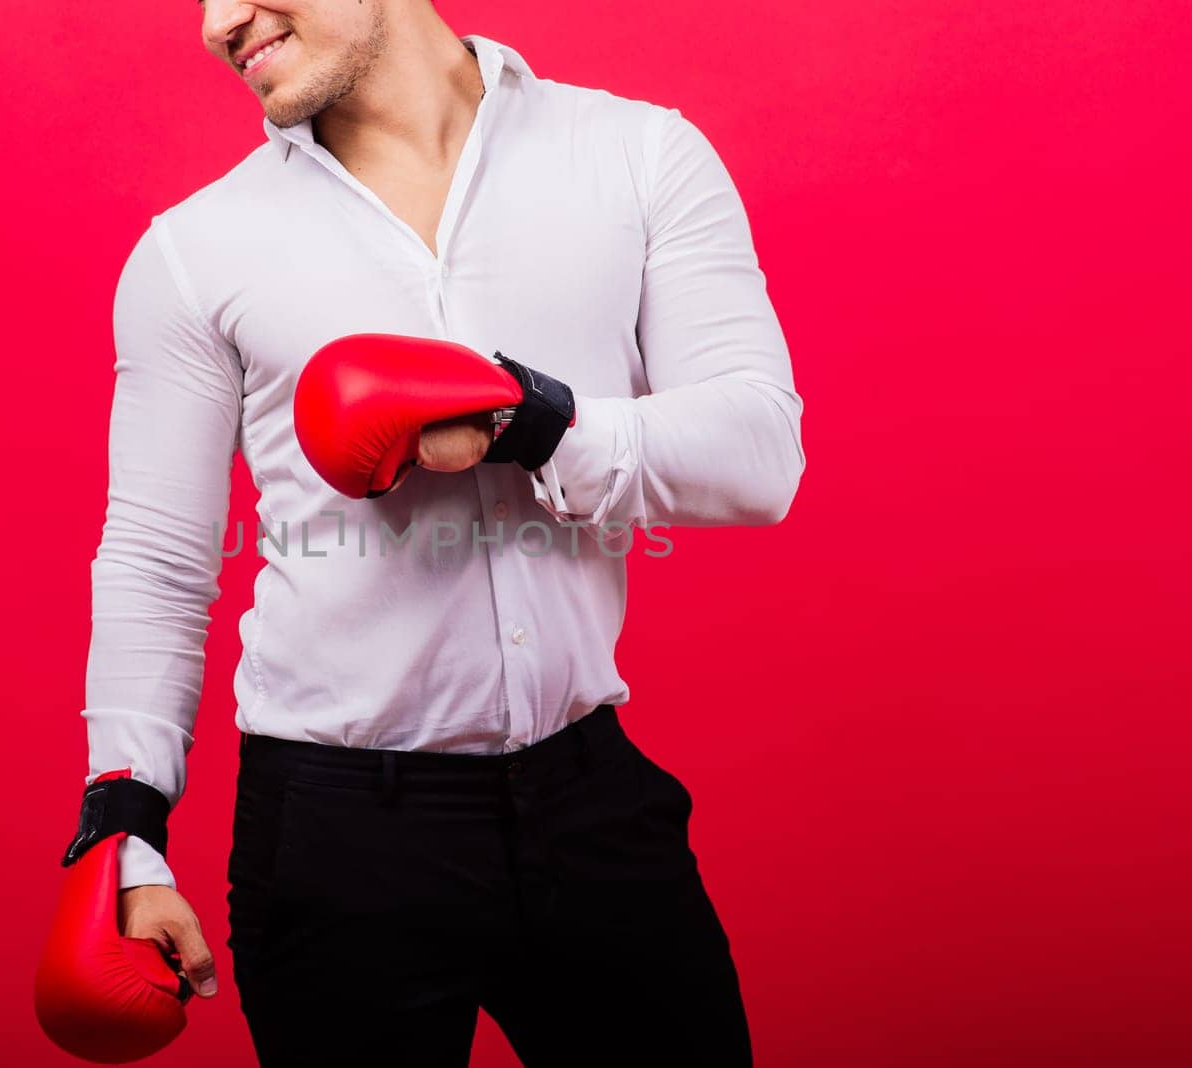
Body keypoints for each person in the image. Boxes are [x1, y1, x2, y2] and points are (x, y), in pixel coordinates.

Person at [83, 2, 804, 1063]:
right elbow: (155, 560)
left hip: (590, 799)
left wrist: (529, 418)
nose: (218, 22)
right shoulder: (193, 253)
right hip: (335, 832)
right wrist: (125, 833)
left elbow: (758, 455)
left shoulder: (638, 156)